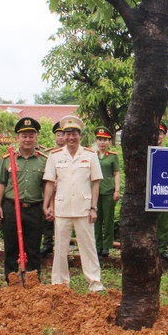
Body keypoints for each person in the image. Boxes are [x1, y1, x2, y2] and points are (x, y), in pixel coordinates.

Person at [43, 115, 104, 292]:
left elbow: (95, 183)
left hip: (84, 208)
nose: (71, 137)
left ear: (79, 135)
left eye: (74, 134)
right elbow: (50, 182)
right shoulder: (54, 156)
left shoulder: (90, 155)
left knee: (88, 247)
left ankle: (95, 283)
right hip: (62, 208)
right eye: (67, 134)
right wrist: (47, 205)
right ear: (63, 135)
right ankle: (59, 284)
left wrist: (93, 207)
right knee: (60, 248)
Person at [0, 117, 48, 284]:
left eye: (31, 136)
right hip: (11, 208)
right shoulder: (7, 159)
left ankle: (32, 281)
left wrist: (47, 206)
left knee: (33, 247)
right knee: (11, 246)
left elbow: (47, 186)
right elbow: (1, 183)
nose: (27, 139)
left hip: (34, 208)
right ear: (18, 138)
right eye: (24, 136)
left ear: (36, 137)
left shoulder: (44, 160)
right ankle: (12, 281)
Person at [40, 121, 66, 256]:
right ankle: (47, 243)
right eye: (58, 135)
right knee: (48, 217)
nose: (60, 138)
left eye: (62, 135)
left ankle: (63, 247)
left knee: (63, 220)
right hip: (49, 190)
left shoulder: (70, 153)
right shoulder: (47, 154)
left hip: (64, 191)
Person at [94, 127, 120, 258]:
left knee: (108, 220)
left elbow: (116, 174)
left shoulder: (113, 156)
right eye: (99, 139)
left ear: (109, 141)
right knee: (96, 219)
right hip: (94, 192)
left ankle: (106, 245)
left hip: (108, 192)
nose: (102, 142)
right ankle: (97, 245)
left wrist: (117, 190)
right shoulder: (92, 155)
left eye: (105, 140)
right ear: (96, 141)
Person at [155, 122, 168, 260]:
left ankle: (161, 248)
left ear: (164, 136)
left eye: (160, 133)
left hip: (164, 190)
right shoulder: (145, 151)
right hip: (148, 190)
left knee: (163, 222)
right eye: (155, 133)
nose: (158, 136)